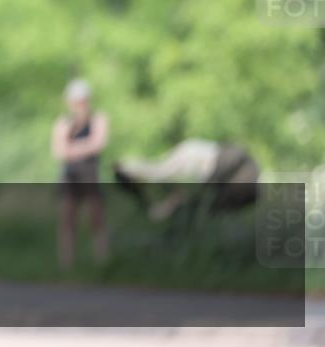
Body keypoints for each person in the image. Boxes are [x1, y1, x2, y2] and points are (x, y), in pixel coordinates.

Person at [114, 139, 259, 220]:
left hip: (210, 162)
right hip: (208, 162)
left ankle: (128, 168)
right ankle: (127, 167)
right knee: (160, 172)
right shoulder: (245, 180)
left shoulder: (179, 160)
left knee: (160, 172)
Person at [51, 78, 109, 270]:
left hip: (90, 173)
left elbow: (98, 144)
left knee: (96, 217)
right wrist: (78, 140)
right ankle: (66, 264)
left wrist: (73, 148)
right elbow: (59, 151)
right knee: (67, 219)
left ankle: (102, 261)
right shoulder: (64, 123)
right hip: (70, 174)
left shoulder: (98, 119)